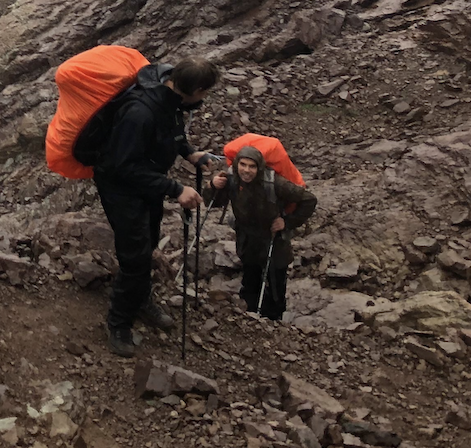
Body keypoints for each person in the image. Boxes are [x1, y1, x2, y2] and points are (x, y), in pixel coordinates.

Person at [92, 57, 220, 356]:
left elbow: (171, 133)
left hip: (146, 183)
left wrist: (189, 153)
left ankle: (140, 301)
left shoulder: (170, 100)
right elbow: (124, 166)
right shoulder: (139, 112)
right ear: (196, 89)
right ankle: (119, 323)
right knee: (135, 255)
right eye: (205, 93)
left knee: (147, 244)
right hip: (121, 188)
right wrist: (176, 189)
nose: (204, 99)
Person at [209, 143, 317, 321]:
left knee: (275, 287)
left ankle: (274, 323)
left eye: (252, 166)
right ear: (236, 165)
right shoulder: (231, 179)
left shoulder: (275, 183)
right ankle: (248, 319)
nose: (247, 170)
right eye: (243, 165)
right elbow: (214, 202)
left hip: (274, 241)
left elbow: (309, 200)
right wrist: (213, 186)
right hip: (247, 240)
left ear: (259, 167)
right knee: (250, 282)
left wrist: (287, 222)